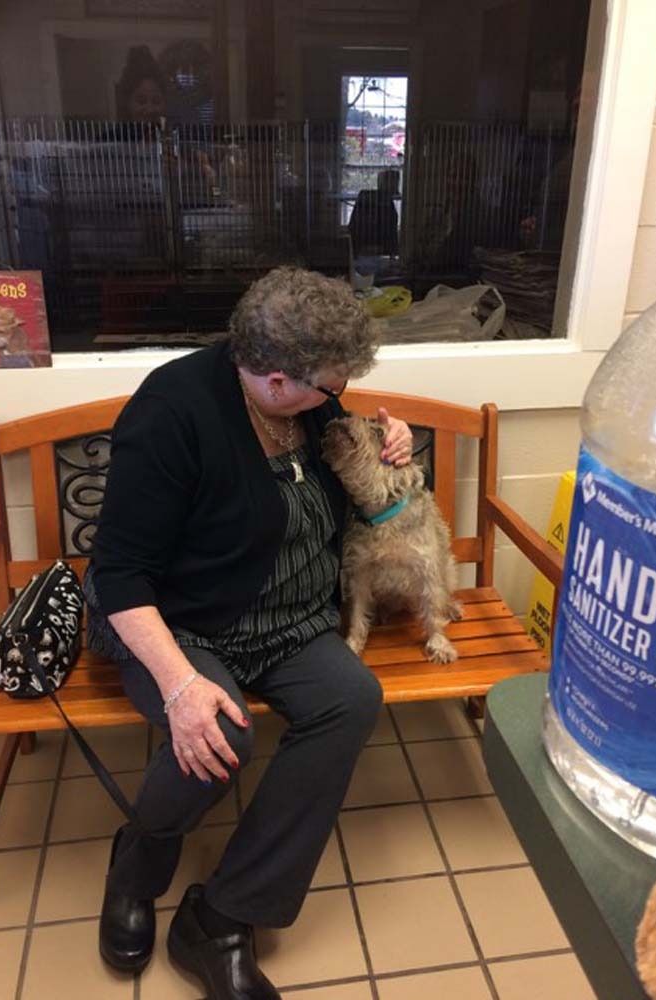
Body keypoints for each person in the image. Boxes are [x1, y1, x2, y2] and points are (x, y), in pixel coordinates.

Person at [85, 266, 413, 999]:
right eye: (329, 386)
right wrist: (180, 685)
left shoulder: (312, 408)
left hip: (289, 616)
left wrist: (394, 441)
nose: (339, 399)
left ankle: (224, 914)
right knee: (219, 735)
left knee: (350, 700)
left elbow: (357, 479)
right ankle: (138, 863)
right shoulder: (173, 412)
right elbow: (120, 572)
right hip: (181, 620)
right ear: (272, 379)